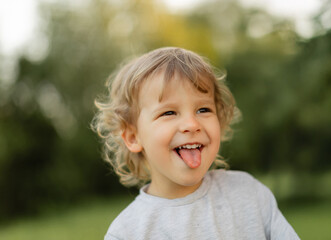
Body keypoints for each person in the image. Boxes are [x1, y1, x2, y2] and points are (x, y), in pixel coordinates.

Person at [92, 47, 300, 240]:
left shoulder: (249, 194)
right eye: (169, 112)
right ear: (133, 137)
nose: (191, 124)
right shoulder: (128, 232)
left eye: (203, 110)